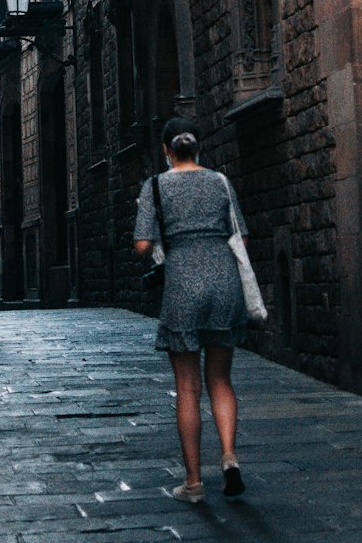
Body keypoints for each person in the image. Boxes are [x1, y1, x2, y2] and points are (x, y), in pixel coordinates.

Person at [134, 116, 249, 505]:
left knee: (187, 386)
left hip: (183, 284)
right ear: (198, 147)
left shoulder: (156, 187)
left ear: (166, 150)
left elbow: (142, 245)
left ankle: (194, 482)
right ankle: (229, 457)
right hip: (224, 282)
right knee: (221, 379)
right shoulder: (220, 182)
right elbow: (241, 235)